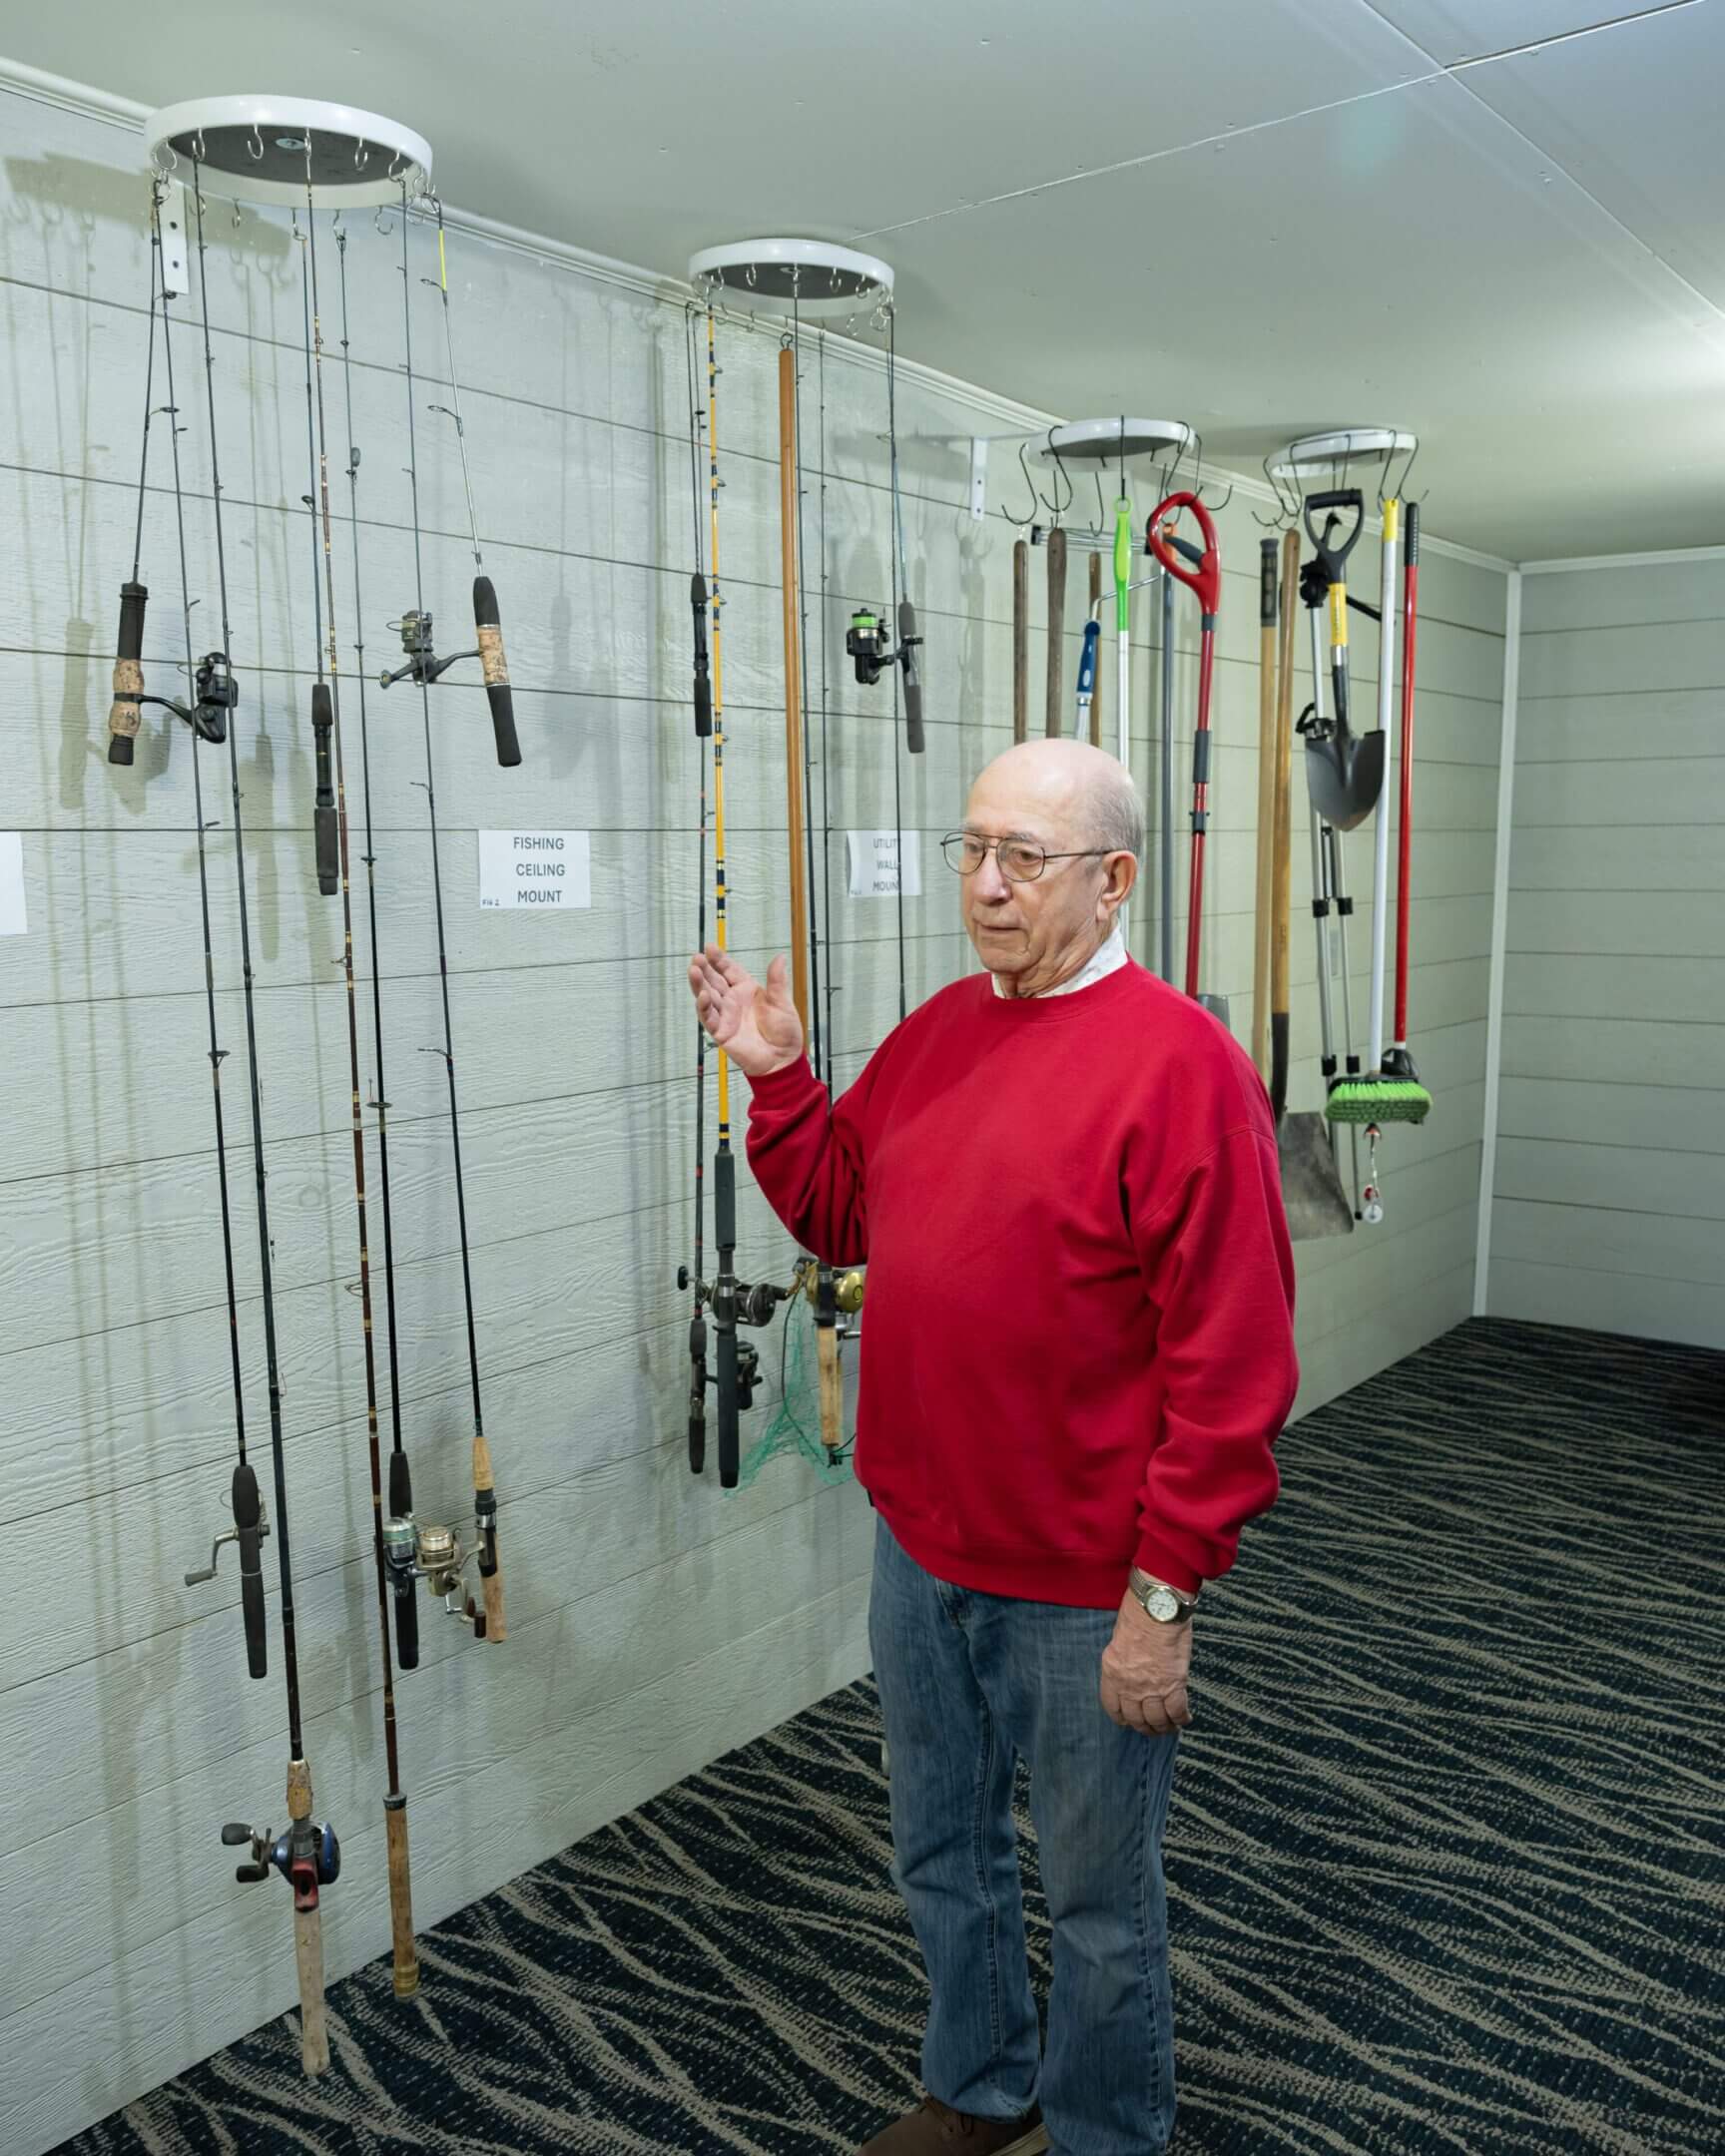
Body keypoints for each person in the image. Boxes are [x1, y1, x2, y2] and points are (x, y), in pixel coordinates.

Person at [688, 739, 1298, 2156]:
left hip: (1087, 1585)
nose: (986, 885)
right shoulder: (946, 1028)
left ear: (1115, 879)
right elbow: (848, 1215)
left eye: (1025, 857)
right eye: (973, 849)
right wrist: (782, 1082)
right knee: (939, 1857)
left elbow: (1236, 1370)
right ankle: (981, 2091)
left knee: (1096, 1906)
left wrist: (1163, 1601)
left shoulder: (1183, 1067)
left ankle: (1101, 2135)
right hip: (921, 1549)